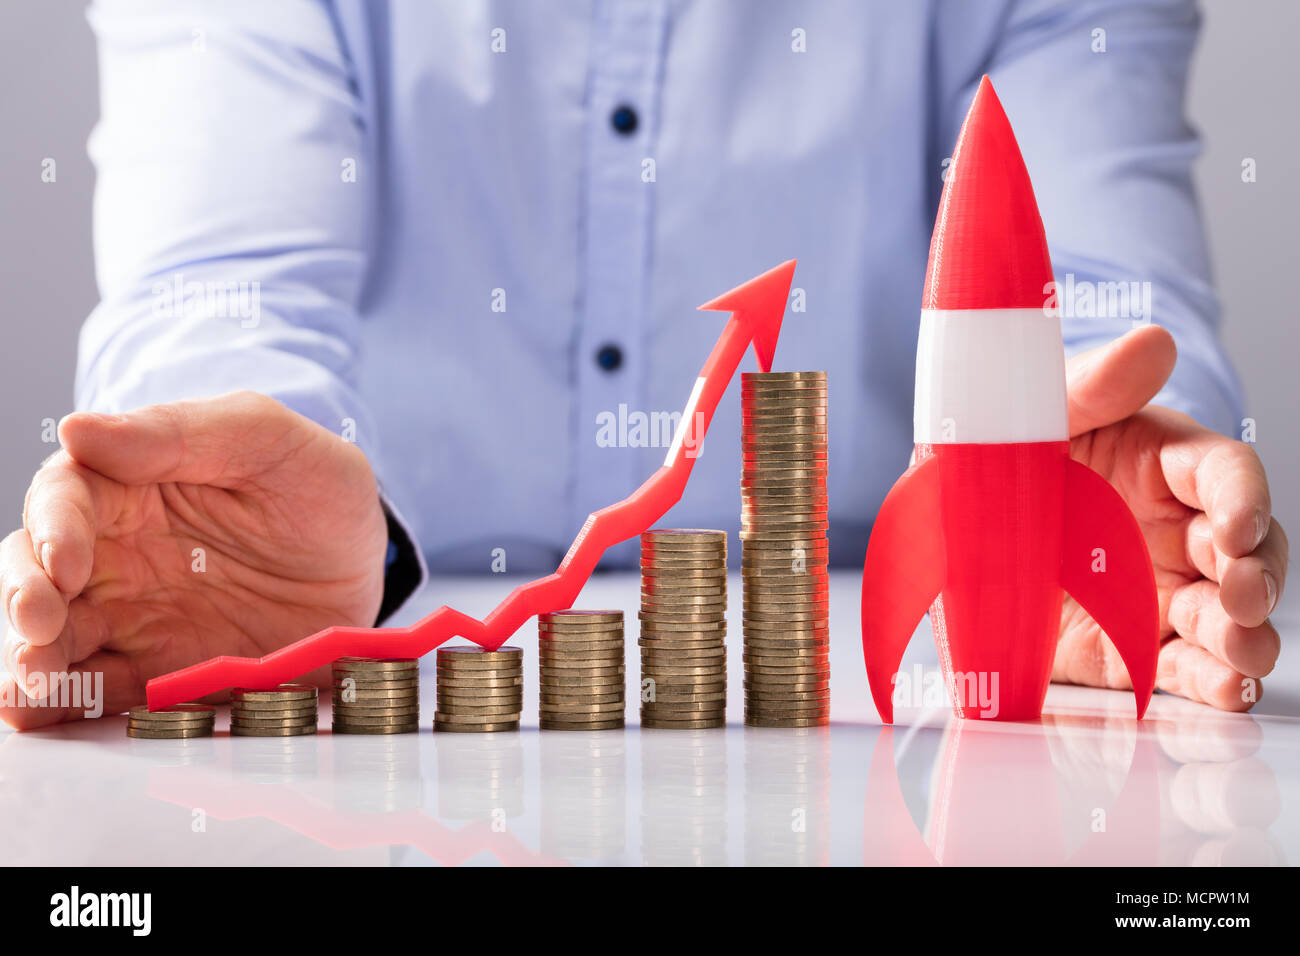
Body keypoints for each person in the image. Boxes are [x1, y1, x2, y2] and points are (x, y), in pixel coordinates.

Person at [0, 0, 1286, 727]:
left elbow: (1107, 291)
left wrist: (1098, 483)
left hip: (890, 696)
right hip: (384, 637)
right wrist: (231, 517)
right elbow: (222, 294)